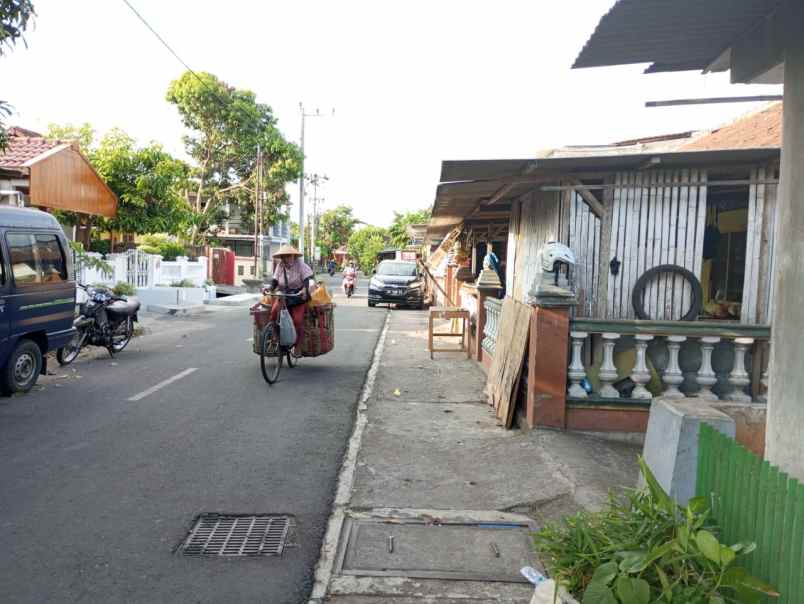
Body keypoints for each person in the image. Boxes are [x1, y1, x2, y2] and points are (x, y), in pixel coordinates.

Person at [267, 245, 314, 354]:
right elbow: (274, 281)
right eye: (283, 256)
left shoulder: (301, 265)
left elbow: (308, 279)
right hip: (284, 294)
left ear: (293, 256)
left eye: (288, 256)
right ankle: (275, 336)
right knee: (274, 313)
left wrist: (305, 290)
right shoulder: (280, 265)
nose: (285, 258)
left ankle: (297, 346)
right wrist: (269, 289)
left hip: (298, 295)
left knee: (297, 321)